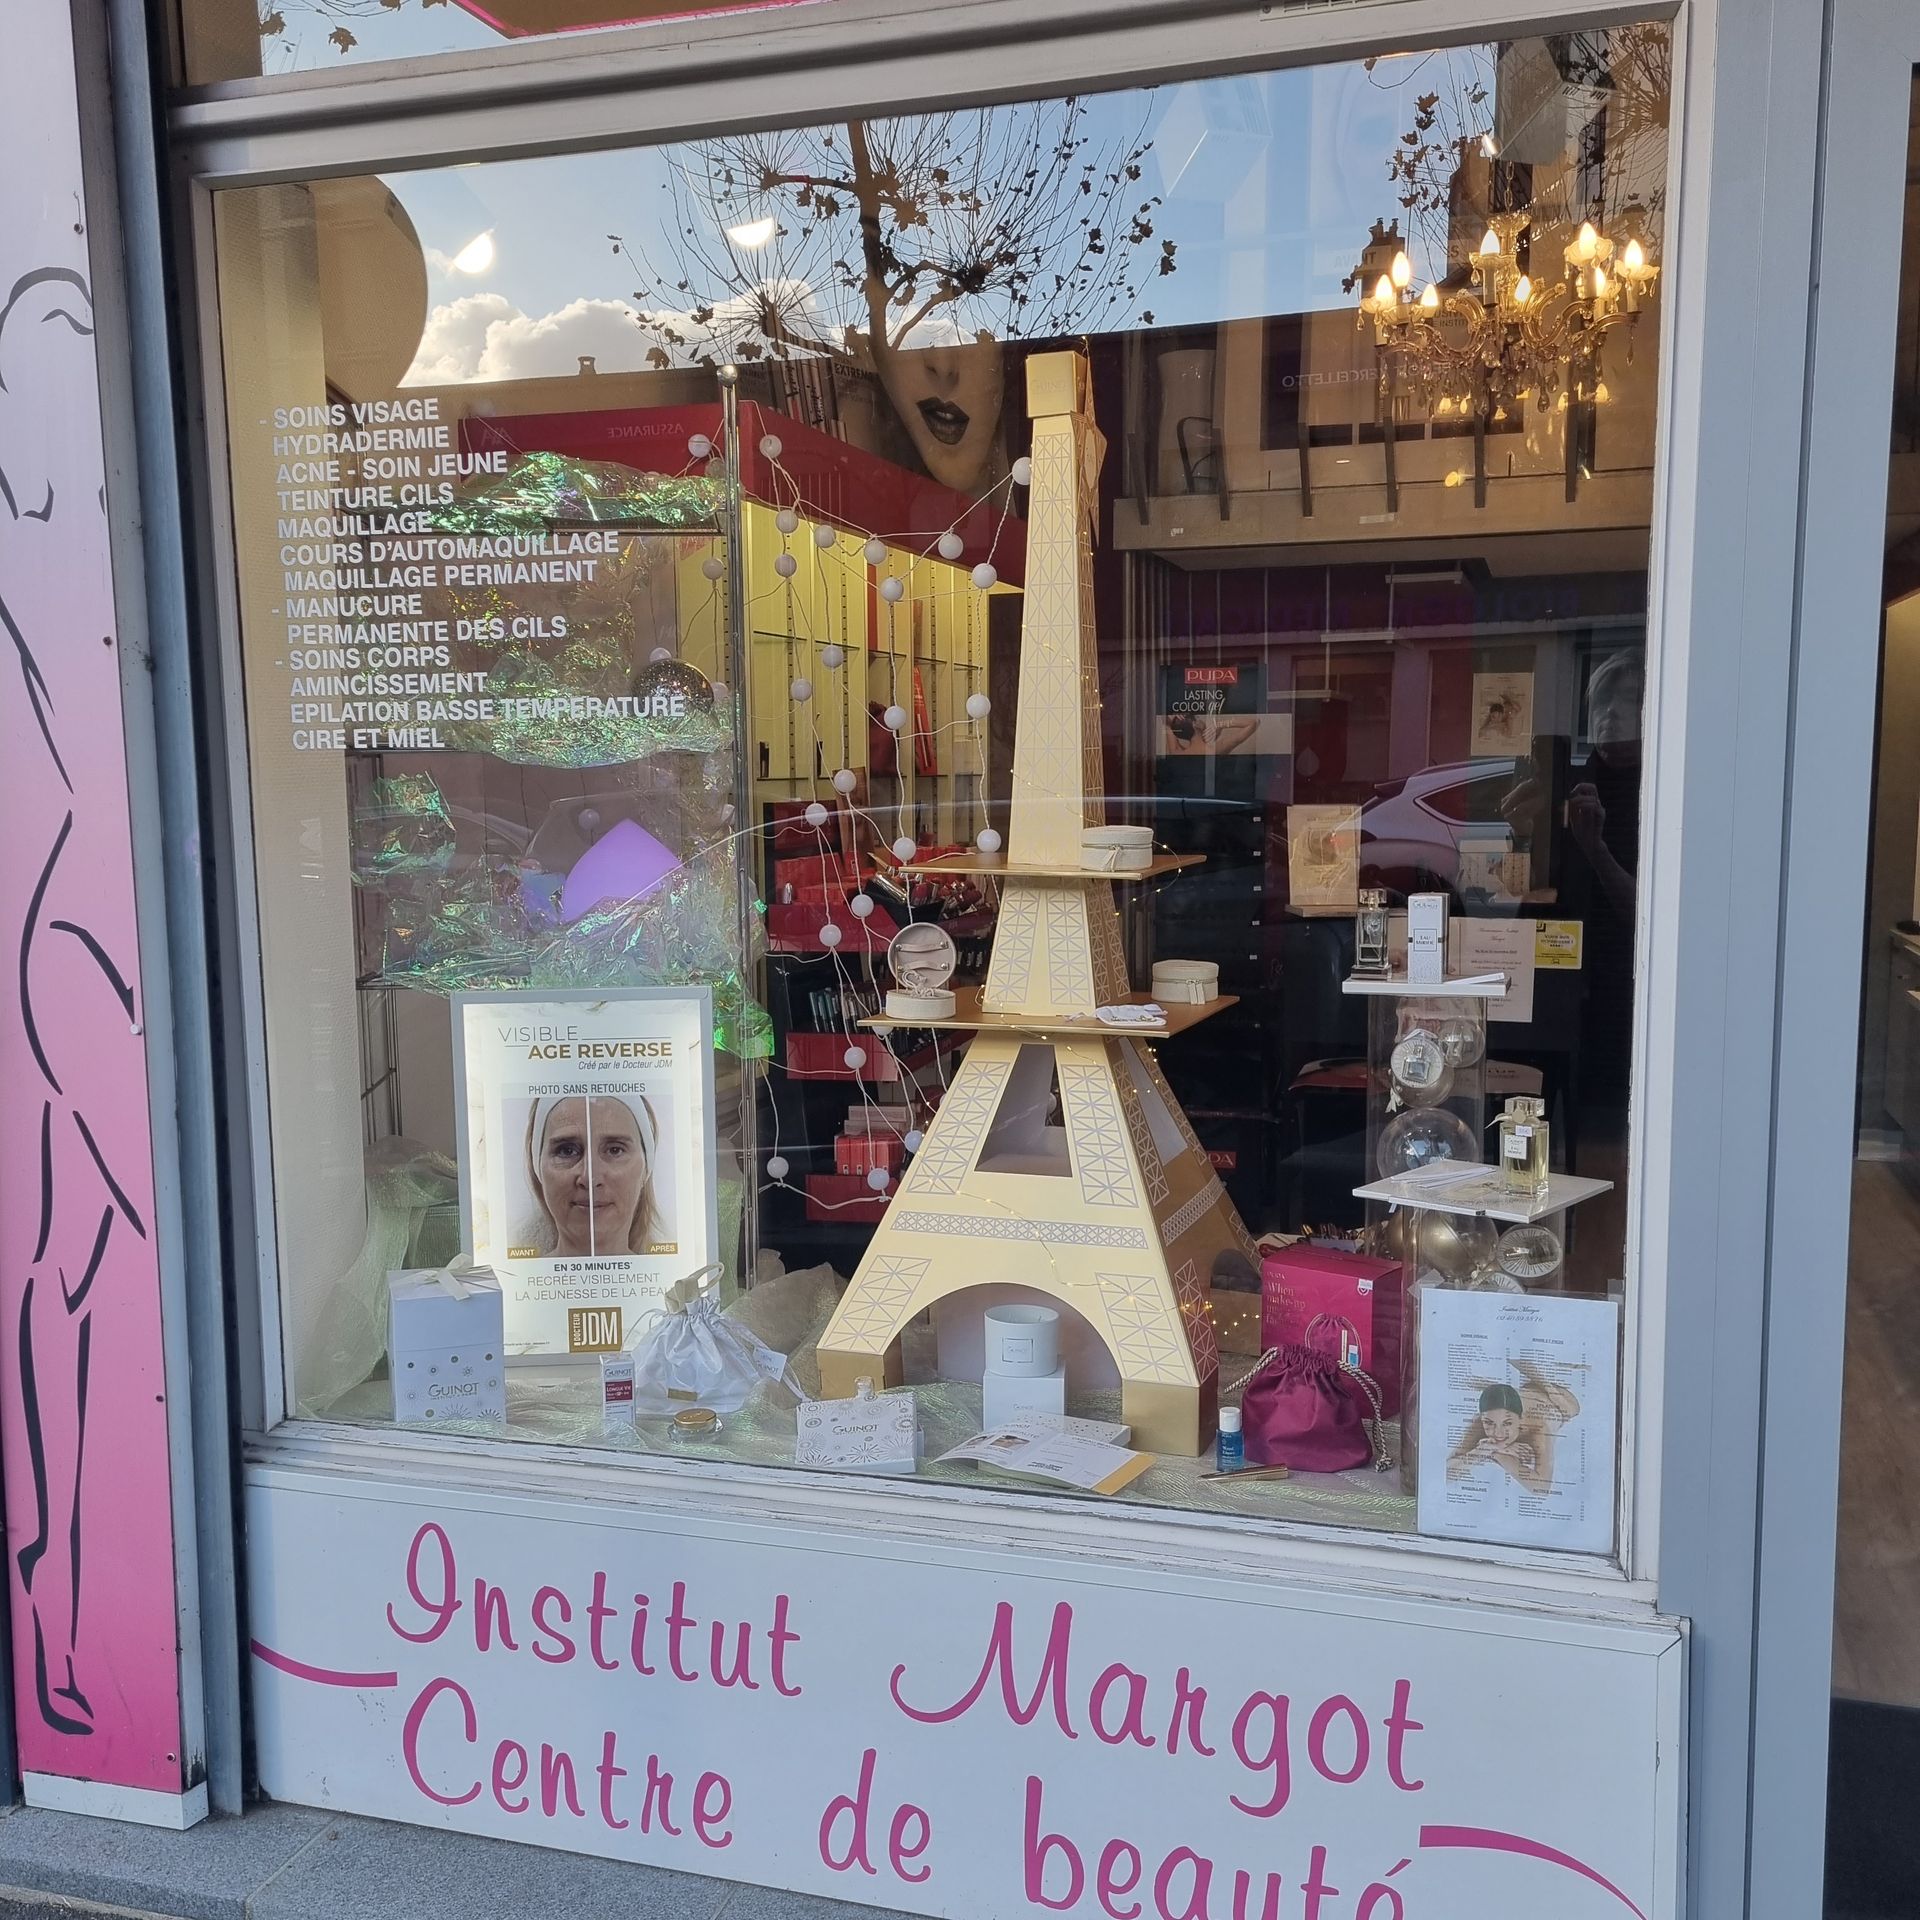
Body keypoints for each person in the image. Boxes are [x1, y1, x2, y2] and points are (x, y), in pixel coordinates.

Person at [519, 1094, 662, 1257]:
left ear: (645, 1167)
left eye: (615, 1150)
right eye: (567, 1151)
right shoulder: (512, 1273)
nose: (590, 1178)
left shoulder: (671, 1271)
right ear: (537, 1167)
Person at [1447, 1360, 1581, 1496]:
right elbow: (1446, 1472)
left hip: (1566, 1394)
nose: (1498, 1434)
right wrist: (1487, 1449)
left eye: (1507, 1423)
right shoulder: (1481, 1420)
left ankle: (1550, 1390)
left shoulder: (1539, 1429)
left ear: (1520, 1419)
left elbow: (1542, 1488)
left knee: (1568, 1408)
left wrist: (1498, 1454)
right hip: (1526, 1389)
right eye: (1489, 1423)